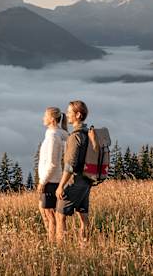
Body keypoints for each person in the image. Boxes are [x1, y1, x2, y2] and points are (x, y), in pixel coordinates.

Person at [55, 100, 92, 245]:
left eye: (70, 112)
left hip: (75, 181)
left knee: (60, 216)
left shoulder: (75, 136)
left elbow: (70, 165)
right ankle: (84, 245)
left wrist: (61, 185)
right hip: (86, 180)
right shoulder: (87, 133)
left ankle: (61, 249)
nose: (67, 115)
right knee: (83, 216)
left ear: (78, 115)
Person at [37, 107, 68, 242]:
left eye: (45, 116)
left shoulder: (53, 137)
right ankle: (57, 242)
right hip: (54, 179)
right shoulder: (58, 134)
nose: (43, 118)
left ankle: (54, 243)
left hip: (51, 180)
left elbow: (52, 163)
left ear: (52, 119)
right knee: (51, 213)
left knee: (50, 215)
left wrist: (42, 181)